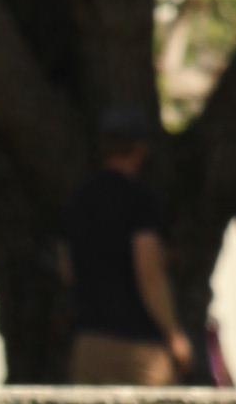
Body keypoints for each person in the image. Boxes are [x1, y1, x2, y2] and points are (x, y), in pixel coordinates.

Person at [60, 109, 191, 386]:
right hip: (139, 345)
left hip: (88, 341)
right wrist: (174, 335)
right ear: (140, 149)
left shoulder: (79, 199)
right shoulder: (140, 200)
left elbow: (66, 268)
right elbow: (149, 270)